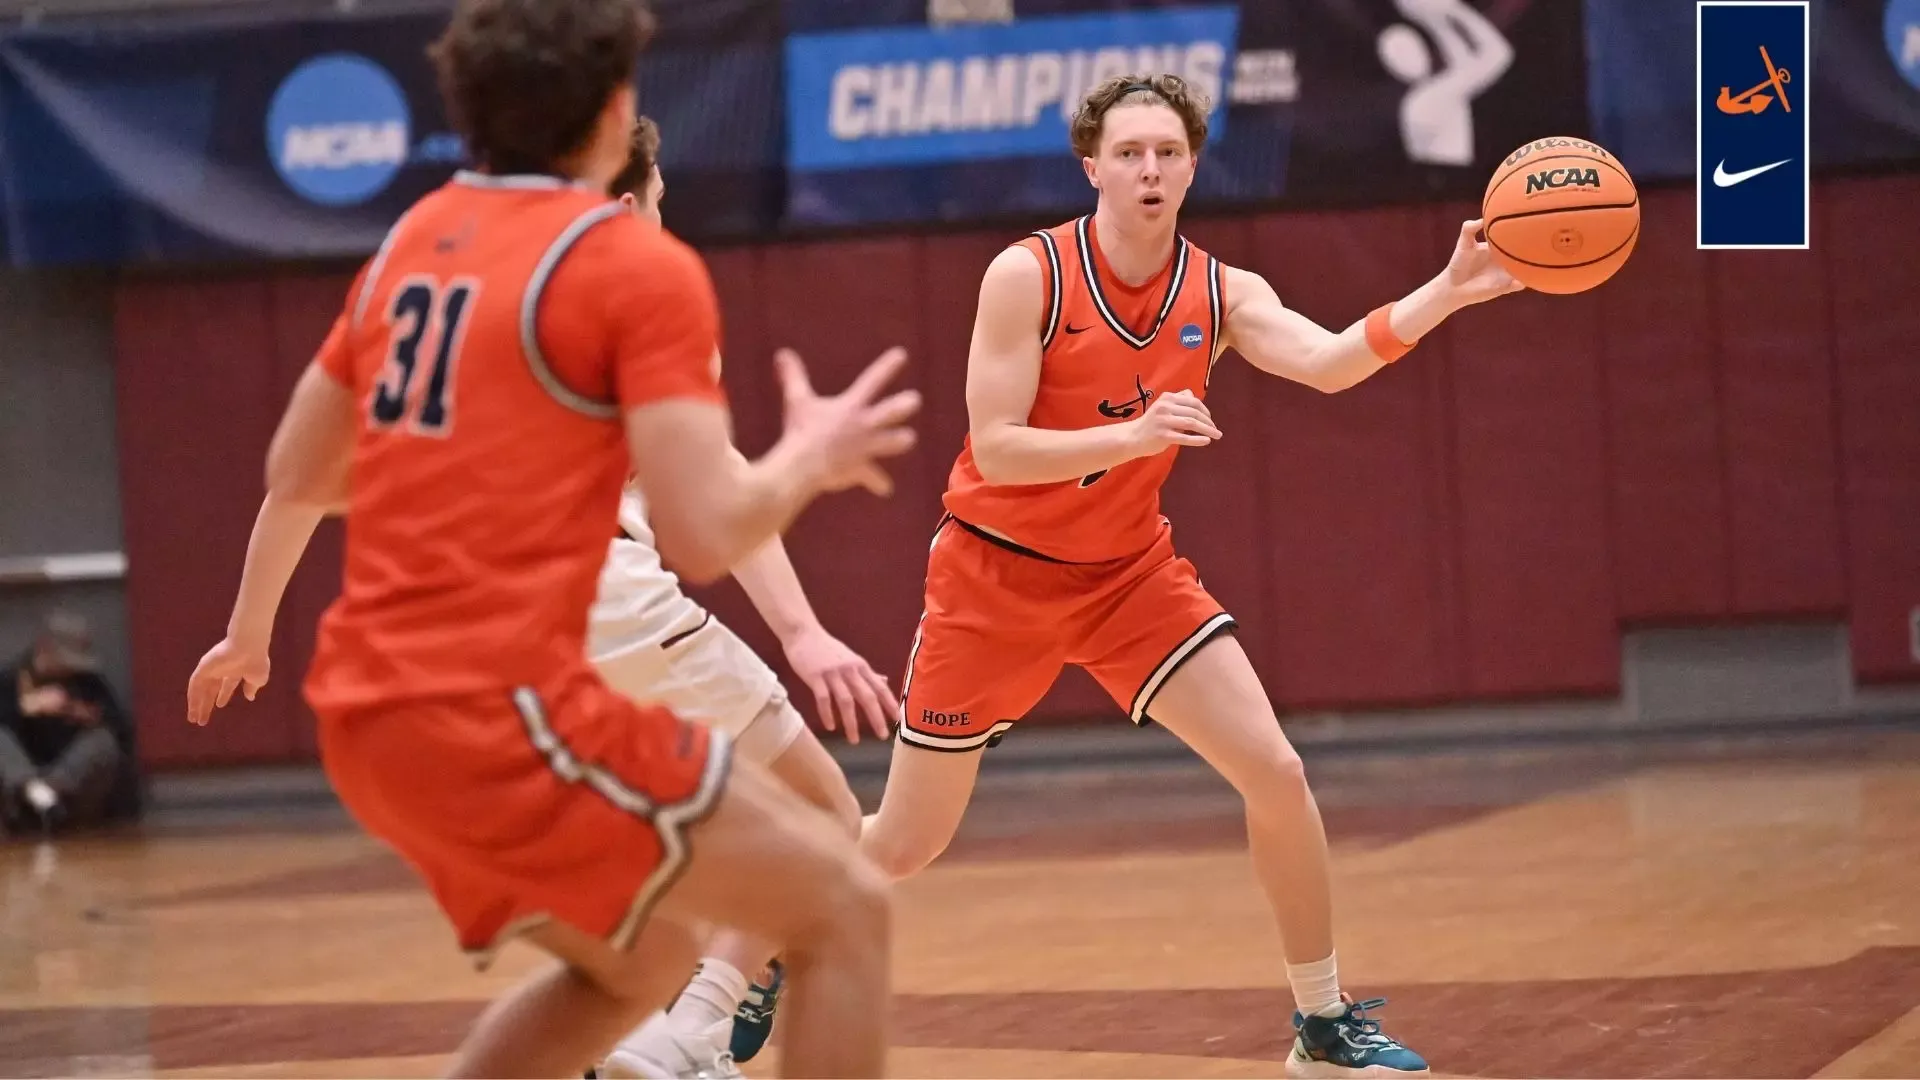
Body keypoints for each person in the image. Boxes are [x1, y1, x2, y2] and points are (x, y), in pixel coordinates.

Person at [183, 0, 920, 1073]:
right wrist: (806, 460)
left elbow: (300, 472)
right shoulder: (634, 267)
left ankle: (678, 1041)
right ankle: (697, 1042)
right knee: (844, 899)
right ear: (617, 113)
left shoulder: (410, 248)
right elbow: (708, 534)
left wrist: (258, 629)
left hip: (367, 710)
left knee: (634, 961)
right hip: (502, 700)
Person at [856, 73, 1523, 1079]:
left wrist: (1444, 293)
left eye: (1168, 152)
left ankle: (1322, 1022)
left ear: (1193, 166)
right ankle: (753, 948)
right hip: (995, 580)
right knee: (905, 844)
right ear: (1093, 167)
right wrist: (1132, 435)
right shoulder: (1026, 274)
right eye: (1129, 153)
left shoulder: (1221, 291)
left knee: (1278, 773)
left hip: (1127, 577)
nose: (1151, 169)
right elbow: (994, 449)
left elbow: (1330, 359)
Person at [589, 117, 895, 1078]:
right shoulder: (652, 300)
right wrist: (804, 628)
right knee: (826, 819)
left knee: (664, 852)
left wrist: (249, 630)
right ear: (629, 201)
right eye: (663, 194)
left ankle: (651, 1035)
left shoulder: (471, 288)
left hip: (480, 637)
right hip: (606, 599)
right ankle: (692, 1032)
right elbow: (711, 514)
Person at [1, 612, 134, 834]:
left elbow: (121, 730)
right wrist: (25, 708)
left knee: (103, 741)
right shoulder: (10, 680)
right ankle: (35, 794)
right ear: (44, 648)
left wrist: (78, 712)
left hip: (69, 789)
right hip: (19, 789)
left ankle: (45, 795)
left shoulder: (88, 683)